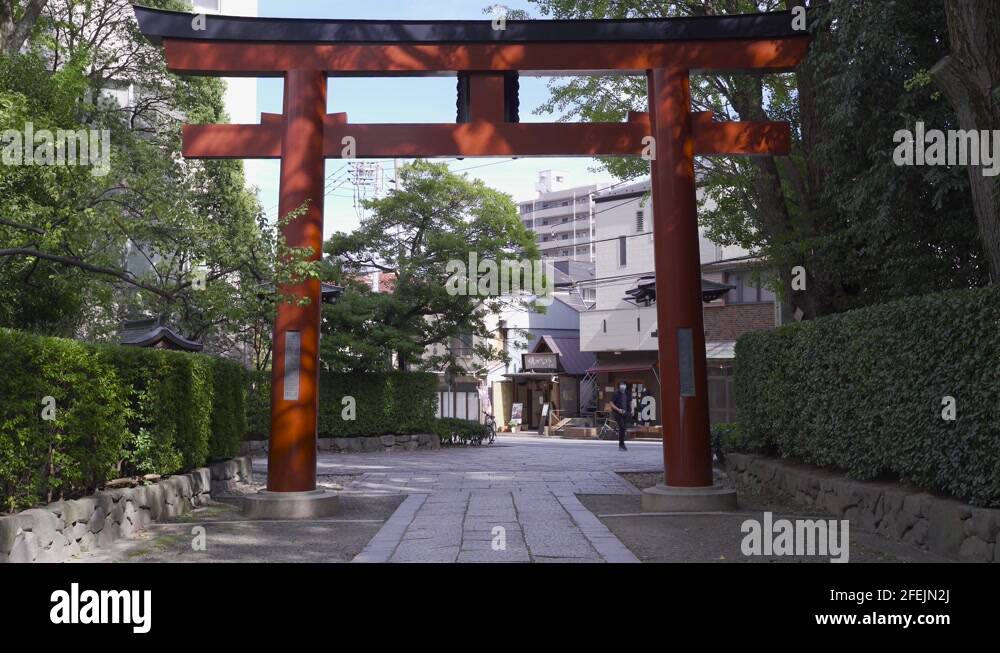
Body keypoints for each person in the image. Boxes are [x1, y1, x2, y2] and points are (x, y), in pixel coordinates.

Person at [610, 381, 630, 451]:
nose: (622, 386)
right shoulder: (616, 394)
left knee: (623, 428)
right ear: (619, 386)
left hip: (625, 413)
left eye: (623, 385)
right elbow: (611, 403)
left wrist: (632, 410)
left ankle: (621, 444)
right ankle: (621, 445)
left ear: (625, 386)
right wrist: (618, 410)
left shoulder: (627, 393)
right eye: (621, 385)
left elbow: (631, 401)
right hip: (617, 413)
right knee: (622, 427)